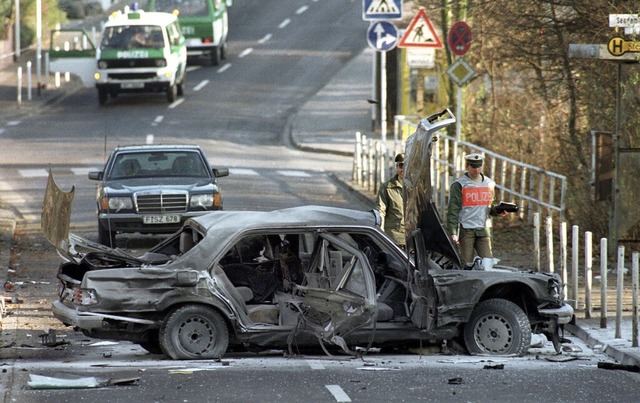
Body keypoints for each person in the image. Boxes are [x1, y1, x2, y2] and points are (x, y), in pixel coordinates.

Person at [447, 153, 506, 266]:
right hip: (466, 229)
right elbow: (453, 210)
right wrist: (453, 232)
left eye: (479, 166)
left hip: (483, 229)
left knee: (487, 264)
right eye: (474, 167)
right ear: (467, 166)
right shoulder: (459, 185)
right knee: (465, 264)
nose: (477, 170)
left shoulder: (489, 183)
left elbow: (490, 205)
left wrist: (498, 211)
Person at [376, 153, 405, 248]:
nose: (403, 170)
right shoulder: (387, 187)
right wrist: (381, 235)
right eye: (401, 166)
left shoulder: (417, 187)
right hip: (394, 240)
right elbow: (380, 212)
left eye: (407, 166)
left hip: (414, 241)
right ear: (397, 168)